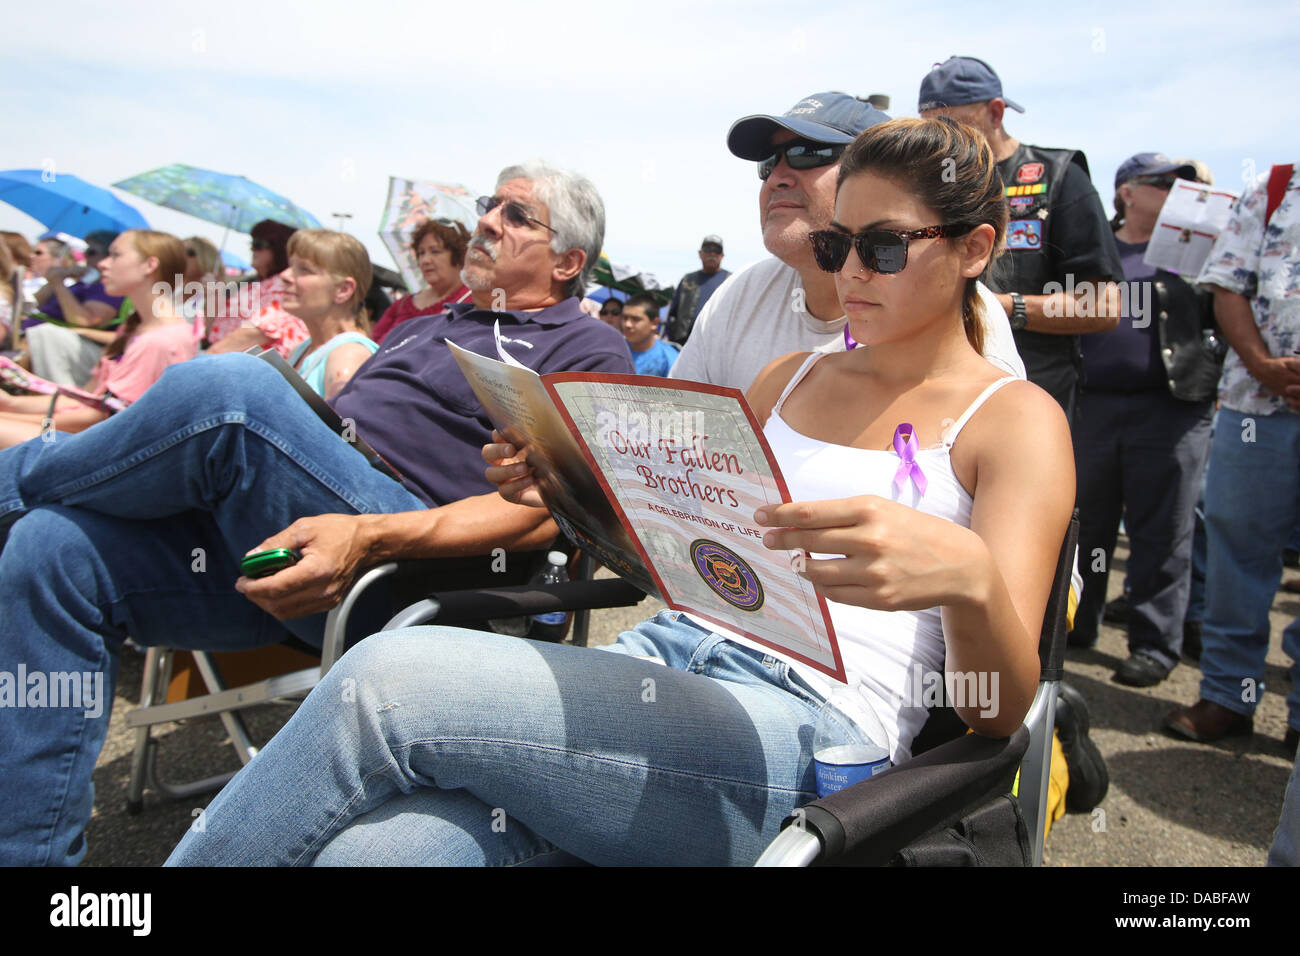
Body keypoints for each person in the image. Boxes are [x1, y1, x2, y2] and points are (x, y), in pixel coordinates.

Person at [165, 118, 1074, 867]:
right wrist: (564, 485)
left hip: (807, 734)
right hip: (664, 668)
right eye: (838, 246)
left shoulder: (1013, 420)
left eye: (881, 247)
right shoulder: (786, 380)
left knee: (385, 683)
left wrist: (971, 581)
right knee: (378, 856)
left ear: (974, 250)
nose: (849, 275)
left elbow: (996, 717)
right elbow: (677, 559)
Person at [0, 160, 633, 866]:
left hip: (404, 569)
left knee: (235, 392)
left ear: (569, 261)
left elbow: (547, 519)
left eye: (518, 216)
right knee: (51, 549)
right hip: (292, 540)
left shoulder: (588, 347)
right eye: (492, 204)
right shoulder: (426, 324)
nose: (487, 220)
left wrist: (367, 533)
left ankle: (7, 481)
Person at [671, 91, 1025, 393]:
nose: (776, 177)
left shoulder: (963, 317)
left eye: (808, 152)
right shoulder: (740, 295)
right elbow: (674, 437)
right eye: (768, 163)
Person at [1069, 154, 1223, 687]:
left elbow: (1230, 313)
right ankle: (1077, 622)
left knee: (1164, 529)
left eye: (1188, 184)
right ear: (1127, 192)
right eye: (1166, 183)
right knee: (1085, 524)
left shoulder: (1202, 253)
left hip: (1171, 409)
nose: (1182, 192)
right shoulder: (1095, 245)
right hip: (1094, 406)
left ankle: (1155, 643)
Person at [1165, 162, 1300, 755]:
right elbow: (1228, 286)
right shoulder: (1272, 191)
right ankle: (1227, 695)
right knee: (1236, 552)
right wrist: (1265, 365)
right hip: (1257, 408)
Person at [918, 56, 1125, 423]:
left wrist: (1001, 307)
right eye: (930, 129)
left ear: (996, 113)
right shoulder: (924, 185)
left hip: (1035, 397)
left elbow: (1104, 306)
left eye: (952, 125)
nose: (943, 142)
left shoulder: (1061, 177)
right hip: (937, 395)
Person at [0, 230, 196, 448]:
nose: (102, 263)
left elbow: (103, 421)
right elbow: (87, 398)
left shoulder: (161, 340)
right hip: (80, 439)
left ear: (149, 265)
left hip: (88, 450)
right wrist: (12, 403)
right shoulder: (139, 327)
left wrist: (12, 416)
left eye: (115, 255)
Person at [281, 230, 379, 399]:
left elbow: (344, 425)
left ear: (343, 290)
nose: (285, 276)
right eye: (291, 266)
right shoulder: (301, 349)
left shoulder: (348, 356)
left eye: (304, 269)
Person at [24, 231, 125, 386]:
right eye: (85, 252)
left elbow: (83, 320)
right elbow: (32, 304)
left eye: (91, 252)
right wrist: (54, 280)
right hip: (33, 335)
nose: (86, 257)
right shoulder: (84, 284)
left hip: (51, 342)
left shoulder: (107, 290)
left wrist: (59, 284)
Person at [205, 219, 307, 358]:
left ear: (278, 249)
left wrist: (205, 358)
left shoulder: (282, 286)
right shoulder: (252, 285)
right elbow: (214, 331)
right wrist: (213, 294)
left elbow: (257, 331)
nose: (252, 249)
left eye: (258, 245)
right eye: (252, 243)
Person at [370, 218, 471, 344]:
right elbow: (373, 346)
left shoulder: (471, 302)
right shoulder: (402, 304)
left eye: (435, 251)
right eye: (421, 253)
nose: (425, 260)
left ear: (460, 254)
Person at [665, 234, 729, 345]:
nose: (712, 253)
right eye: (708, 249)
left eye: (717, 250)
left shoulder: (731, 280)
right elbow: (672, 314)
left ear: (722, 255)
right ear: (700, 253)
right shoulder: (687, 280)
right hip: (685, 343)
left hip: (718, 344)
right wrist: (673, 339)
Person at [620, 292, 677, 376]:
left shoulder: (669, 359)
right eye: (625, 318)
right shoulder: (615, 351)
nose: (627, 324)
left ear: (654, 323)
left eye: (635, 319)